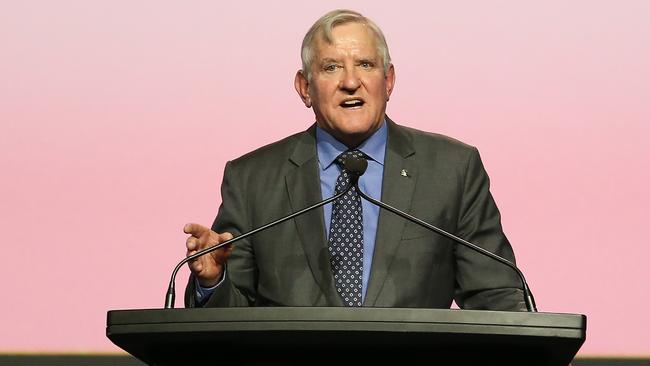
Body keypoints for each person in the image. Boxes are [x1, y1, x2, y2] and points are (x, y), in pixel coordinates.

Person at [183, 9, 526, 311]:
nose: (350, 82)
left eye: (365, 64)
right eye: (331, 67)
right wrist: (214, 281)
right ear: (305, 88)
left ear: (388, 81)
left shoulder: (452, 170)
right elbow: (231, 317)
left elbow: (496, 298)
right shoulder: (252, 179)